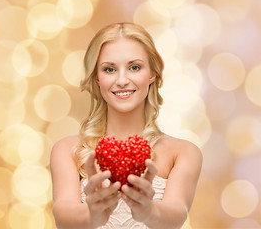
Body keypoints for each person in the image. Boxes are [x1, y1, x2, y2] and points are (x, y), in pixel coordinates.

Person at [50, 22, 202, 229]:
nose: (122, 80)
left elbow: (177, 214)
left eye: (134, 67)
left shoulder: (183, 152)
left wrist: (149, 211)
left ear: (152, 74)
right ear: (97, 77)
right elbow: (63, 215)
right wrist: (92, 215)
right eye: (109, 69)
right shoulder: (68, 150)